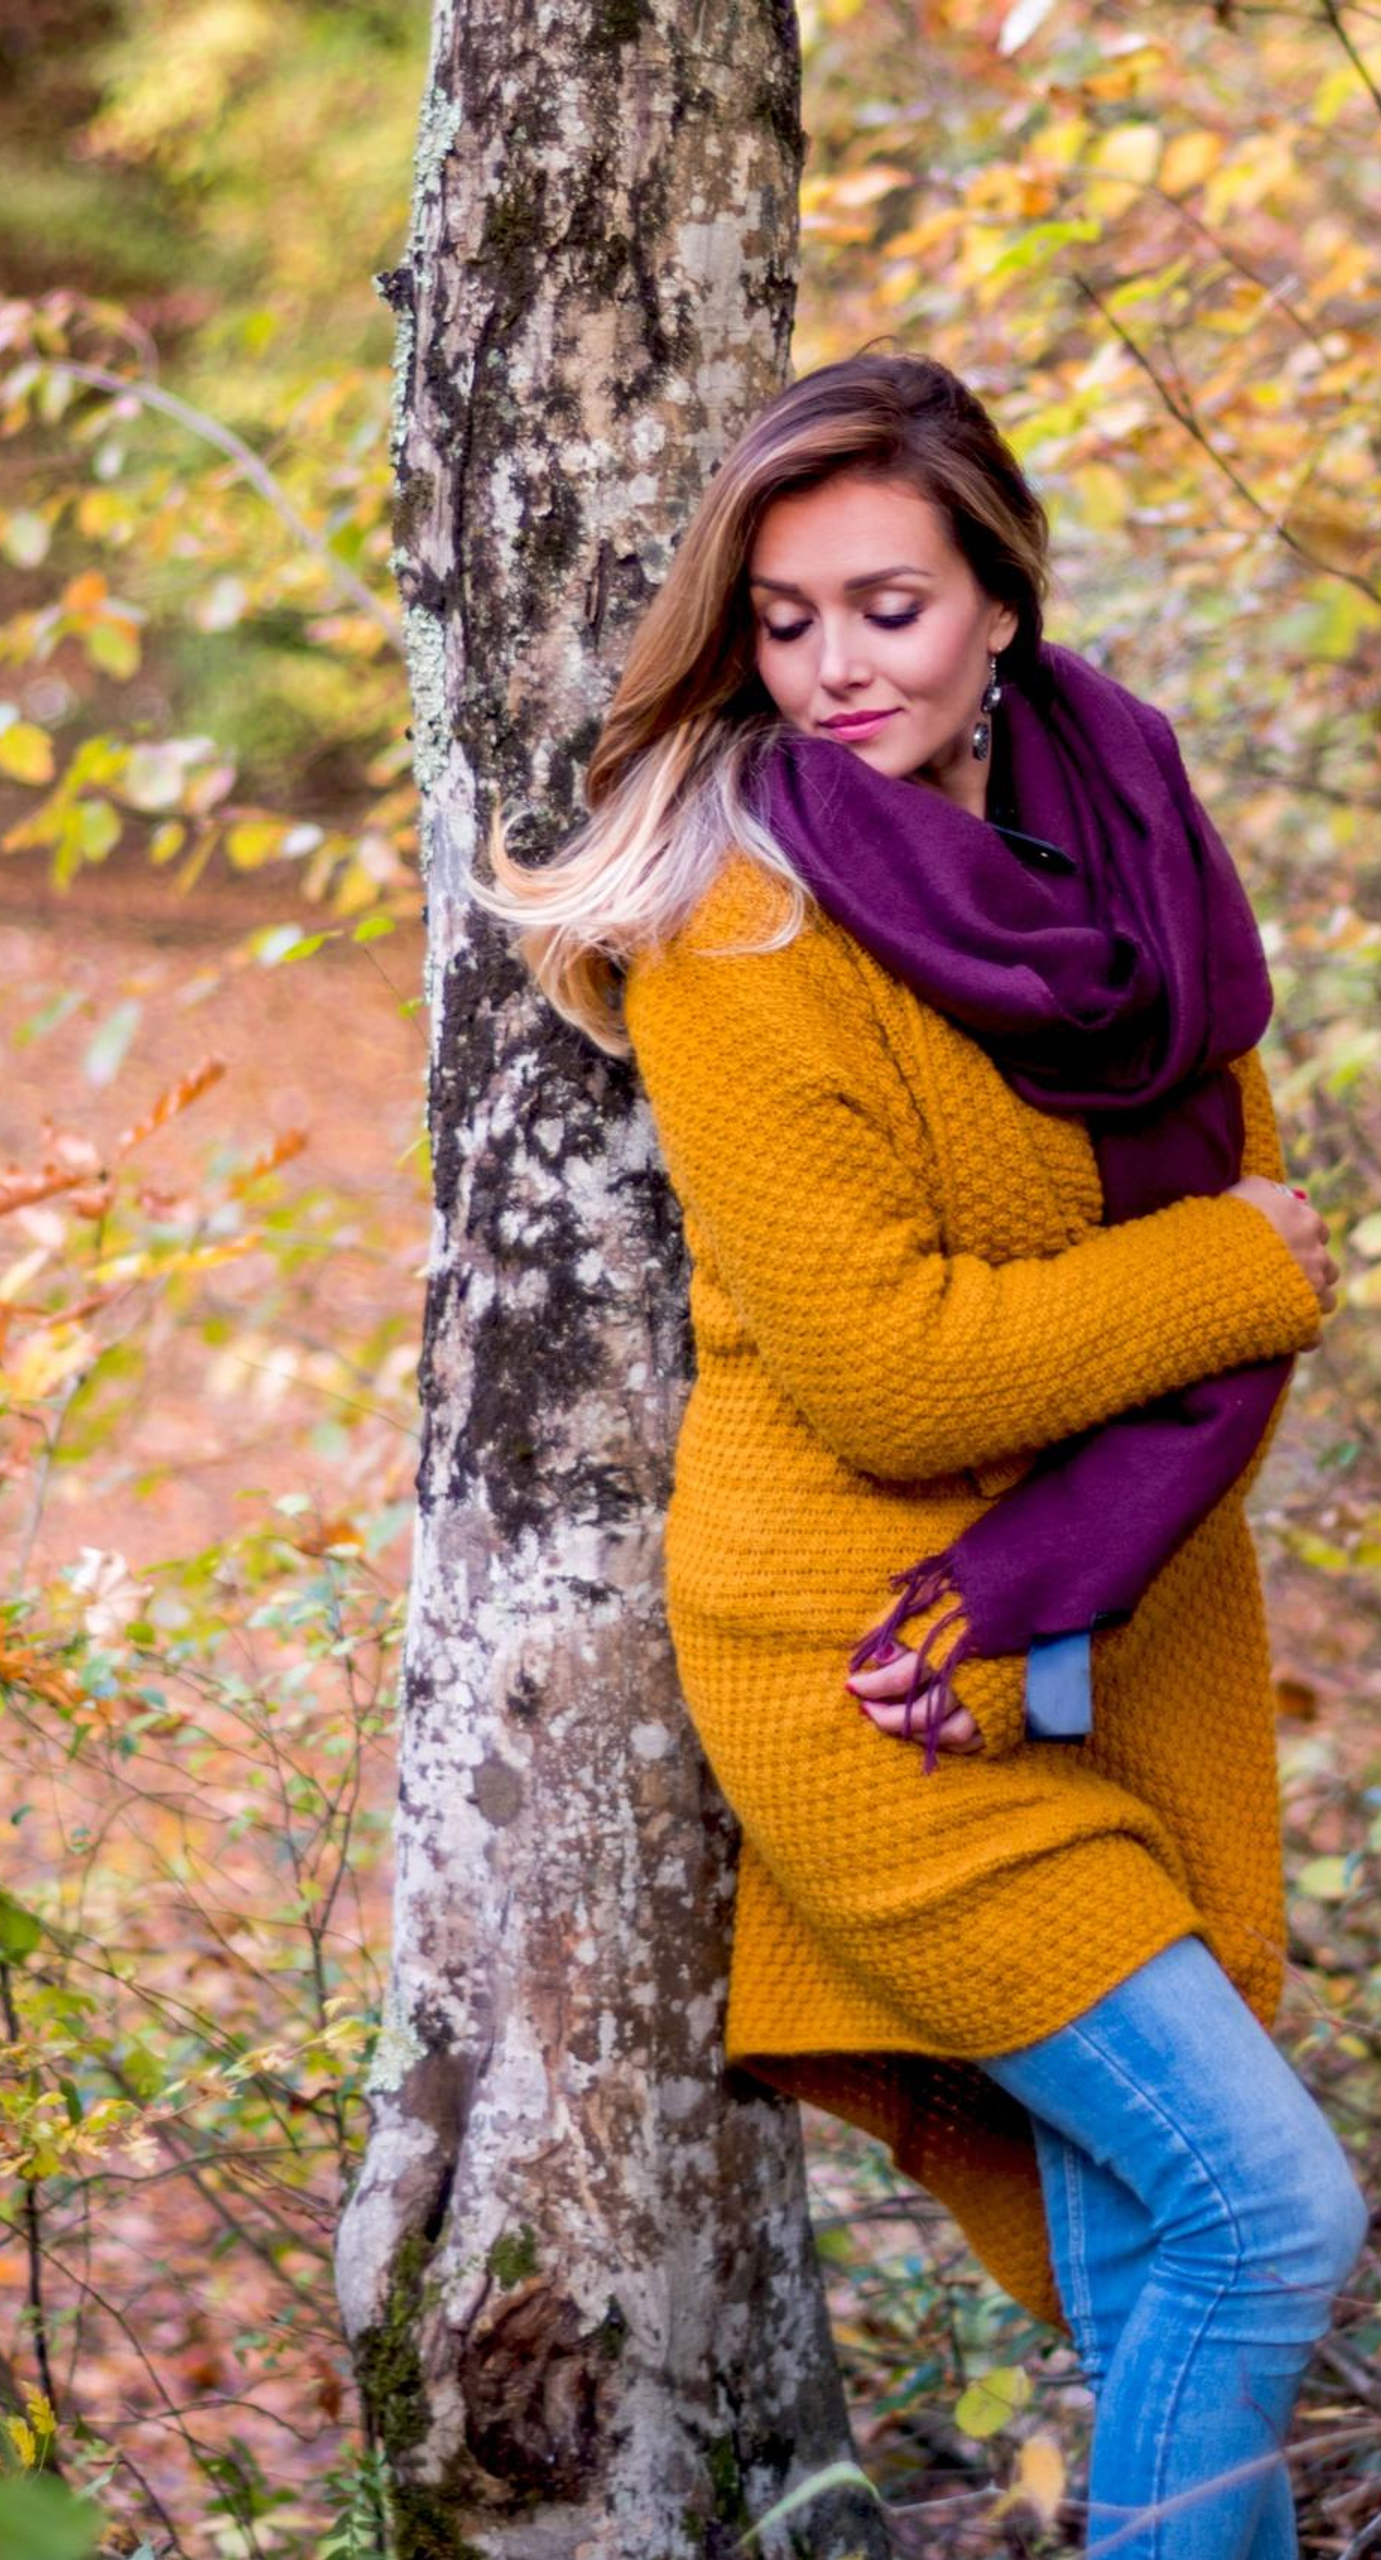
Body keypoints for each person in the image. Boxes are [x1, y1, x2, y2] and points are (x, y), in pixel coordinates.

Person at [470, 347, 1368, 2559]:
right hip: (869, 1658)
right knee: (1265, 2209)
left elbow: (1196, 1228)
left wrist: (1181, 1324)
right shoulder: (734, 914)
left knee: (1176, 2253)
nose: (830, 666)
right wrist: (1236, 1274)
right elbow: (888, 1368)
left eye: (883, 604)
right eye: (780, 620)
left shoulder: (1124, 831)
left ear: (994, 599)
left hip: (1102, 1619)